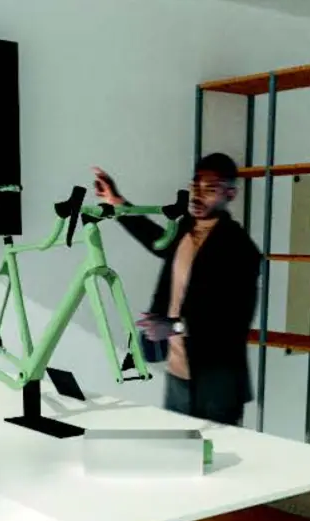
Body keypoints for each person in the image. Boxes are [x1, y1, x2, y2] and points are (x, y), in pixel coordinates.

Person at [92, 154, 261, 426]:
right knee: (177, 448)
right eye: (195, 186)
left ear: (230, 194)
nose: (198, 195)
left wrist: (175, 327)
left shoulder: (241, 249)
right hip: (177, 374)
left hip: (218, 384)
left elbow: (235, 322)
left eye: (210, 189)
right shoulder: (185, 228)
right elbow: (156, 240)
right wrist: (116, 201)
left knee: (214, 451)